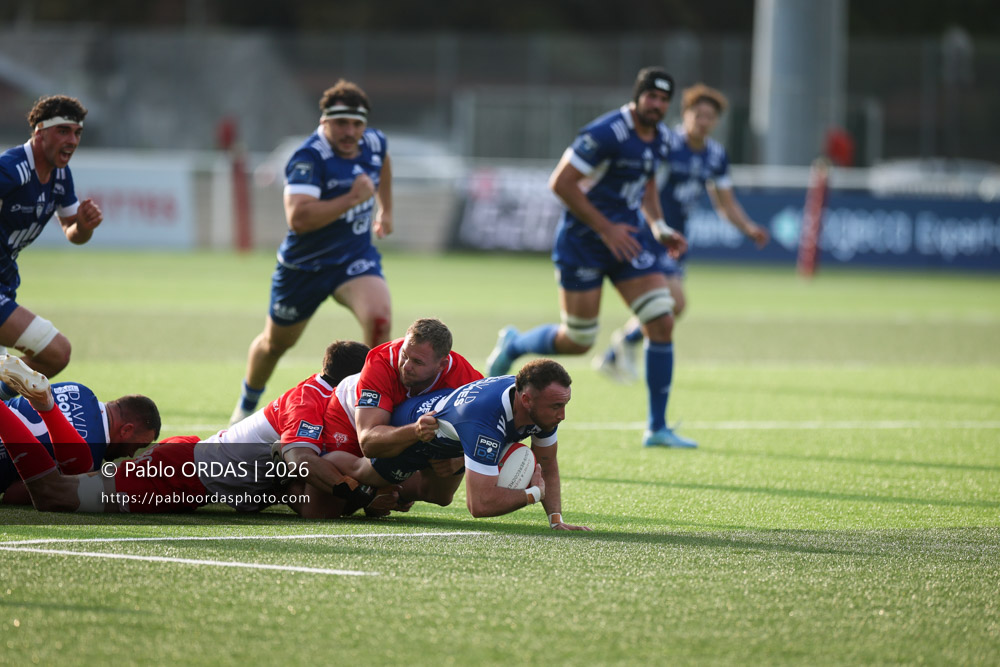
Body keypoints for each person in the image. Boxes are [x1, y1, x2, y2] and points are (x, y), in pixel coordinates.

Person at [485, 66, 693, 449]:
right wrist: (604, 228)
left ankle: (657, 427)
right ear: (637, 97)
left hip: (628, 242)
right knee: (579, 340)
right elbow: (560, 182)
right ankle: (514, 344)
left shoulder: (661, 137)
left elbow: (646, 182)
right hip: (584, 242)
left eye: (664, 99)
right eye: (651, 96)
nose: (658, 104)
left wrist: (659, 225)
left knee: (661, 319)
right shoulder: (605, 133)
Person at [0, 346, 378, 516]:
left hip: (194, 463)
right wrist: (362, 492)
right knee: (55, 495)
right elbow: (300, 463)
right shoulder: (310, 399)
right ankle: (18, 407)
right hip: (185, 475)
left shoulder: (328, 407)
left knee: (79, 473)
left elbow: (301, 491)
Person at [231, 79, 395, 425]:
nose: (350, 132)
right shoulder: (308, 158)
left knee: (379, 320)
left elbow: (383, 164)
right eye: (341, 123)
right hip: (304, 268)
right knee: (275, 344)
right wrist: (353, 198)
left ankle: (368, 411)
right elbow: (299, 218)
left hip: (354, 258)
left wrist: (386, 210)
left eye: (356, 124)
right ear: (324, 122)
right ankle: (246, 405)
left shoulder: (374, 142)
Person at [595, 83, 770, 385]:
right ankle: (625, 346)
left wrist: (748, 228)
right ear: (685, 114)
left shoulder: (716, 155)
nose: (703, 121)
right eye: (697, 114)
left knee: (674, 305)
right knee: (673, 301)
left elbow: (725, 203)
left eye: (709, 117)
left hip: (677, 240)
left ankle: (617, 350)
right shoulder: (665, 143)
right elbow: (643, 184)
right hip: (650, 232)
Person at [325, 359, 590, 530]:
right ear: (526, 400)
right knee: (363, 471)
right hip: (412, 430)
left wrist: (556, 521)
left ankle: (395, 493)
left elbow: (546, 462)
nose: (561, 415)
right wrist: (534, 493)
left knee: (440, 497)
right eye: (556, 406)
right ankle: (318, 459)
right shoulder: (484, 424)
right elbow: (480, 505)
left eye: (564, 404)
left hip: (452, 435)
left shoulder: (541, 406)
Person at [0, 95, 103, 391]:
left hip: (6, 283)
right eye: (63, 131)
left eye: (77, 133)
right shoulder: (12, 169)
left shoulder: (60, 175)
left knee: (9, 374)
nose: (72, 140)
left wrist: (83, 225)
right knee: (56, 352)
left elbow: (73, 231)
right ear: (39, 132)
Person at [350, 317, 483, 509]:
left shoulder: (466, 380)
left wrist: (462, 459)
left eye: (418, 362)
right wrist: (415, 431)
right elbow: (368, 443)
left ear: (441, 365)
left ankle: (396, 493)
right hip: (356, 420)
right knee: (321, 507)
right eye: (404, 354)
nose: (406, 366)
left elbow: (494, 430)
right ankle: (364, 484)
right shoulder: (380, 362)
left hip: (414, 429)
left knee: (440, 496)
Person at [0, 356, 161, 503]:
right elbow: (13, 494)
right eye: (138, 445)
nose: (132, 454)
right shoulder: (90, 455)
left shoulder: (78, 389)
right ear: (126, 430)